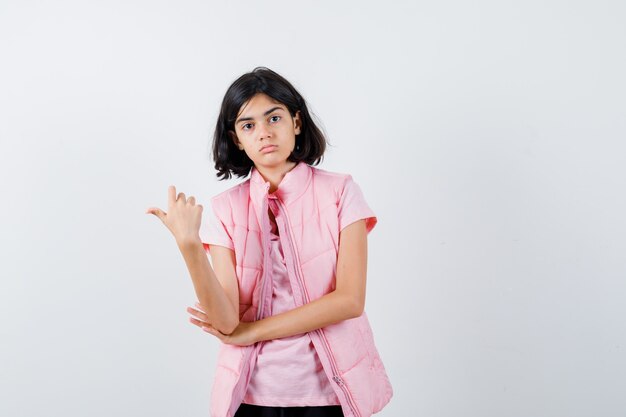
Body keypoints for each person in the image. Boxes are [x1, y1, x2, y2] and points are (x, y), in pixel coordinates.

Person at [146, 67, 393, 417]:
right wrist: (189, 246)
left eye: (273, 118)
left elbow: (350, 300)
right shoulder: (225, 208)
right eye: (248, 125)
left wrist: (253, 332)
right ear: (236, 139)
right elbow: (228, 322)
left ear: (296, 122)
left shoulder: (341, 192)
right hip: (251, 394)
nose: (263, 133)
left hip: (329, 395)